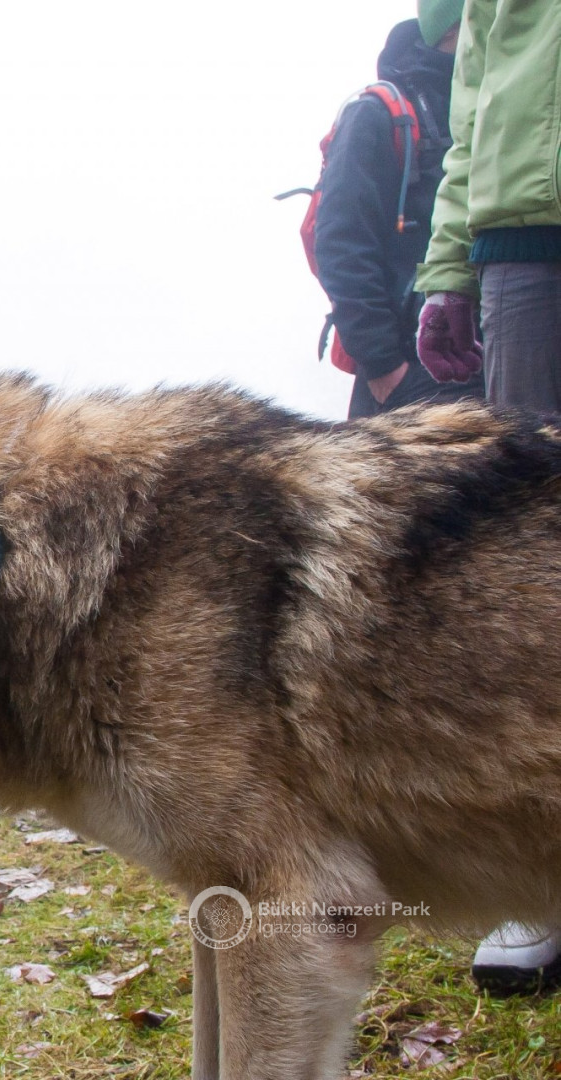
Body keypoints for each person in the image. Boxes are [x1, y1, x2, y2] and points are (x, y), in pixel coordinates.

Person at [415, 0, 561, 994]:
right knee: (534, 558)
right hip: (523, 239)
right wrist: (447, 265)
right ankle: (538, 866)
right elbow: (471, 95)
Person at [314, 2, 481, 418]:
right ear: (453, 28)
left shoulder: (490, 107)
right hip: (409, 372)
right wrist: (385, 367)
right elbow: (340, 243)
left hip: (486, 354)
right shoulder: (378, 113)